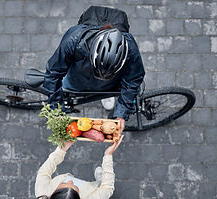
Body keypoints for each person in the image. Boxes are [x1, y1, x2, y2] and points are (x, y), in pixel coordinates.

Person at [43, 6, 145, 135]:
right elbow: (53, 74)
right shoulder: (73, 39)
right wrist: (56, 109)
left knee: (108, 89)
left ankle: (105, 94)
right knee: (68, 86)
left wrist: (121, 113)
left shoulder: (130, 48)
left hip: (109, 82)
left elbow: (133, 79)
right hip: (77, 77)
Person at [35, 135, 124, 199]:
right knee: (103, 197)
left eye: (62, 184)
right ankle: (99, 180)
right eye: (75, 188)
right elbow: (107, 188)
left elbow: (44, 172)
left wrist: (61, 149)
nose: (71, 181)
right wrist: (108, 156)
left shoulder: (42, 195)